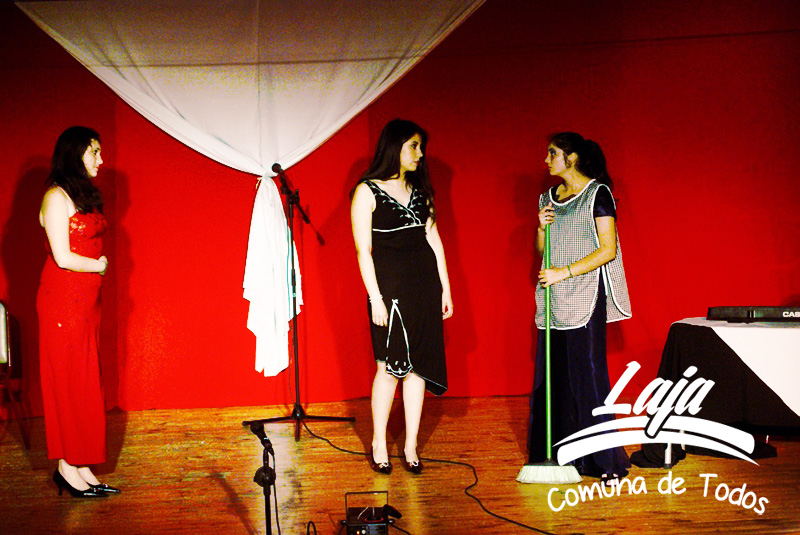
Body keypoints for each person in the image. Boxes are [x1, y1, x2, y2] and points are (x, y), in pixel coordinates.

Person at [527, 132, 632, 482]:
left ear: (571, 158)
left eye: (552, 153)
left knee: (587, 377)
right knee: (553, 378)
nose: (546, 160)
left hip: (585, 295)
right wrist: (540, 229)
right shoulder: (548, 198)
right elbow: (543, 251)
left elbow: (608, 249)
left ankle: (603, 461)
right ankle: (561, 455)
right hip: (553, 298)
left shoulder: (597, 194)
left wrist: (565, 271)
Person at [351, 119, 453, 475]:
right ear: (395, 146)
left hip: (425, 289)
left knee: (418, 369)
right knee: (388, 368)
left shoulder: (421, 190)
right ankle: (379, 441)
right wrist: (375, 298)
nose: (420, 154)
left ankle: (410, 445)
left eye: (421, 147)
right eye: (414, 146)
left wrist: (445, 288)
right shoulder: (367, 192)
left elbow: (433, 239)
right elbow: (364, 251)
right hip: (390, 292)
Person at [37, 126, 119, 497]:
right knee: (68, 384)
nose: (101, 160)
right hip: (62, 301)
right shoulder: (56, 197)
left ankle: (82, 462)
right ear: (75, 153)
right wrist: (99, 266)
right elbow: (62, 256)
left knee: (85, 385)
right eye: (94, 152)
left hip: (85, 304)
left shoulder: (79, 194)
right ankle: (66, 467)